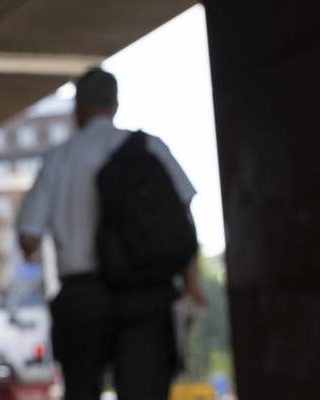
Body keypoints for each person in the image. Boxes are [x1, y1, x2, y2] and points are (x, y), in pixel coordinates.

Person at [16, 68, 205, 400]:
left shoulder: (59, 158)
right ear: (115, 104)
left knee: (82, 388)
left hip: (83, 296)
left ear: (78, 109)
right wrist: (191, 283)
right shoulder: (147, 146)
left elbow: (28, 237)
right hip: (147, 291)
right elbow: (183, 218)